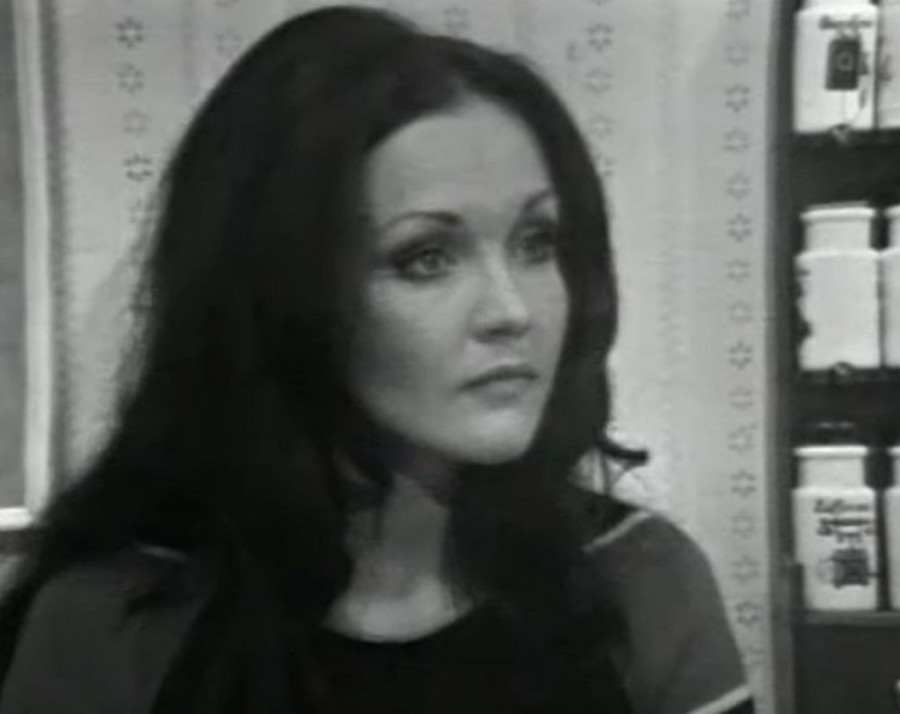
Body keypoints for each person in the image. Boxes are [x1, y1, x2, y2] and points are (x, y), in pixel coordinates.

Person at [0, 6, 754, 714]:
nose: (512, 311)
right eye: (425, 258)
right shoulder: (114, 620)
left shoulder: (638, 581)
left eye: (537, 243)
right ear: (278, 290)